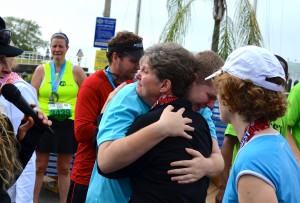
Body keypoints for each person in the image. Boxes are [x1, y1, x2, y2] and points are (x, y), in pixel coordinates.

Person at [86, 47, 224, 202]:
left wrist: (206, 165)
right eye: (210, 96)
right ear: (193, 79)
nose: (212, 105)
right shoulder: (129, 97)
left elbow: (218, 159)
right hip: (111, 197)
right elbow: (105, 161)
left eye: (145, 71)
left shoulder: (200, 109)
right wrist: (162, 128)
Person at [209, 45, 300, 202]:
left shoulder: (253, 160)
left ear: (229, 94)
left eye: (220, 86)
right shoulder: (276, 140)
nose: (217, 94)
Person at [67, 31, 143, 203]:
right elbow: (81, 131)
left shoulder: (134, 85)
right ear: (115, 57)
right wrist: (123, 137)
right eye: (133, 61)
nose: (138, 67)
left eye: (140, 61)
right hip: (86, 177)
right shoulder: (93, 84)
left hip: (117, 178)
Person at [0, 17, 51, 203]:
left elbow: (13, 167)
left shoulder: (17, 90)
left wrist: (24, 146)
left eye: (6, 59)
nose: (6, 68)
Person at [31, 32, 87, 203]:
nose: (57, 49)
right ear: (50, 47)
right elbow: (31, 97)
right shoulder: (41, 69)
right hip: (44, 122)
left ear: (66, 48)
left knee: (64, 168)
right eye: (54, 46)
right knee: (40, 166)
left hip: (68, 123)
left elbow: (87, 96)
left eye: (60, 46)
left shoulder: (76, 70)